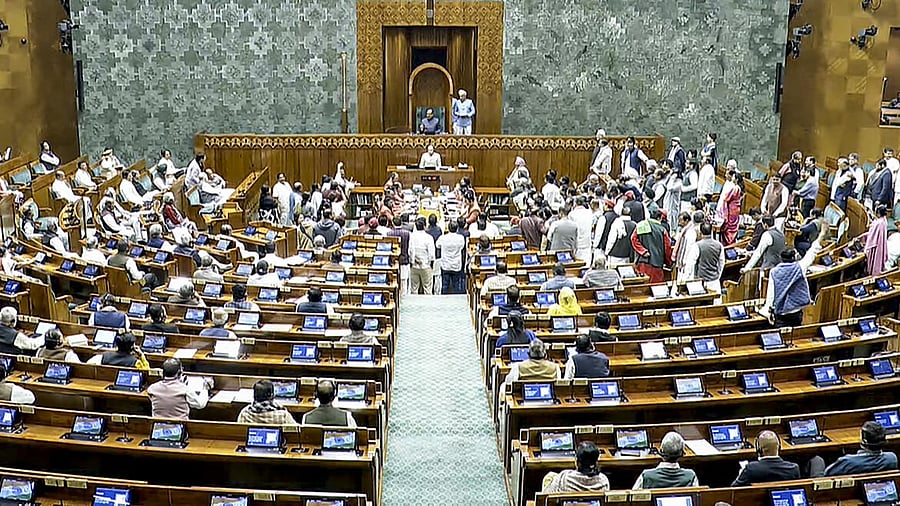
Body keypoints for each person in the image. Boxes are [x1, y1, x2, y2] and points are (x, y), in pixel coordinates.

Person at [815, 422, 898, 476]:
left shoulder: (847, 461)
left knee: (816, 460)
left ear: (864, 441)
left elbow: (826, 475)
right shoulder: (892, 458)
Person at [147, 358, 212, 420]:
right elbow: (200, 404)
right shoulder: (184, 390)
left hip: (157, 428)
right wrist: (205, 388)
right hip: (179, 429)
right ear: (179, 372)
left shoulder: (152, 389)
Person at [760, 249, 811, 327]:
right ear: (794, 257)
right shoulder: (800, 267)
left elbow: (771, 293)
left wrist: (768, 310)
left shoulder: (774, 272)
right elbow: (811, 254)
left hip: (781, 313)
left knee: (781, 336)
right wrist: (819, 239)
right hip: (796, 311)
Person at [732, 430, 800, 486]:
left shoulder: (751, 469)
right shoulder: (793, 469)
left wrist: (741, 474)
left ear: (759, 449)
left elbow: (733, 489)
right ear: (779, 447)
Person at [633, 432, 698, 489]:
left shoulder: (646, 476)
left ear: (660, 451)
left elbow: (634, 498)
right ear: (682, 453)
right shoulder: (691, 476)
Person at [541, 442, 609, 493]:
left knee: (550, 477)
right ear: (596, 462)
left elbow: (547, 494)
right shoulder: (604, 481)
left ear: (577, 462)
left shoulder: (564, 477)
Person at [631, 209, 673, 283]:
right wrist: (668, 263)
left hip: (642, 262)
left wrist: (642, 251)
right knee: (656, 289)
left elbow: (633, 239)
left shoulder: (641, 225)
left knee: (642, 287)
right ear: (659, 218)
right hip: (656, 264)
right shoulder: (662, 230)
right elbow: (667, 248)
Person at [684, 223, 725, 294]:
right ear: (711, 230)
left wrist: (686, 279)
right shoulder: (719, 246)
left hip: (699, 282)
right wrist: (718, 275)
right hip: (714, 281)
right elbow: (721, 263)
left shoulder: (697, 246)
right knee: (715, 303)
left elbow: (690, 264)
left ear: (700, 232)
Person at [408, 217, 435, 295]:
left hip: (414, 265)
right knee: (427, 288)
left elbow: (410, 250)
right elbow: (431, 253)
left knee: (414, 288)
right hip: (426, 266)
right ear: (424, 226)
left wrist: (412, 262)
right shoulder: (429, 237)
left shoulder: (412, 236)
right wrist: (431, 265)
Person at [717, 168, 743, 245]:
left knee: (729, 226)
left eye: (734, 177)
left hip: (732, 210)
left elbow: (726, 199)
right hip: (735, 208)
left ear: (737, 179)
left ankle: (728, 243)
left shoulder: (735, 188)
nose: (732, 178)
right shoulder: (738, 188)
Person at [866, 205, 890, 276]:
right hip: (881, 244)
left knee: (875, 260)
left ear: (879, 213)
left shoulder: (878, 223)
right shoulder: (884, 220)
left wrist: (866, 248)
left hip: (877, 245)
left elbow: (871, 236)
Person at [569, 196, 594, 262]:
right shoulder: (590, 213)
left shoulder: (572, 214)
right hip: (587, 243)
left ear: (575, 203)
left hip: (576, 244)